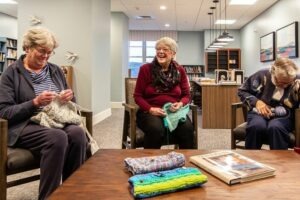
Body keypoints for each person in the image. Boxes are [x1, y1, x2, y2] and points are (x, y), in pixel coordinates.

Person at [0, 27, 87, 199]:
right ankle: (49, 196)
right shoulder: (11, 73)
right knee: (57, 137)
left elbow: (70, 103)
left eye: (50, 52)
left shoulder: (55, 70)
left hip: (55, 121)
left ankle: (71, 192)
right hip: (25, 124)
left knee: (77, 133)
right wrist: (35, 103)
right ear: (27, 48)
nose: (46, 56)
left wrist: (69, 97)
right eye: (41, 51)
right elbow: (4, 111)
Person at [134, 37, 194, 149]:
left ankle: (186, 162)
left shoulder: (179, 70)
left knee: (187, 129)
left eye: (165, 49)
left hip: (173, 112)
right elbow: (137, 96)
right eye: (158, 49)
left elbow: (186, 95)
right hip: (149, 112)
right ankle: (150, 162)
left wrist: (180, 104)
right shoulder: (145, 69)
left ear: (173, 53)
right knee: (156, 129)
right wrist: (151, 109)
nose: (160, 52)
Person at [238, 57, 299, 150]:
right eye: (282, 82)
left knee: (276, 127)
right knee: (256, 126)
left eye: (288, 83)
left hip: (284, 115)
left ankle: (279, 162)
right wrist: (256, 102)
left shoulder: (296, 79)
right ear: (273, 73)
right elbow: (242, 91)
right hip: (258, 112)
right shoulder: (261, 75)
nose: (285, 86)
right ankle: (251, 160)